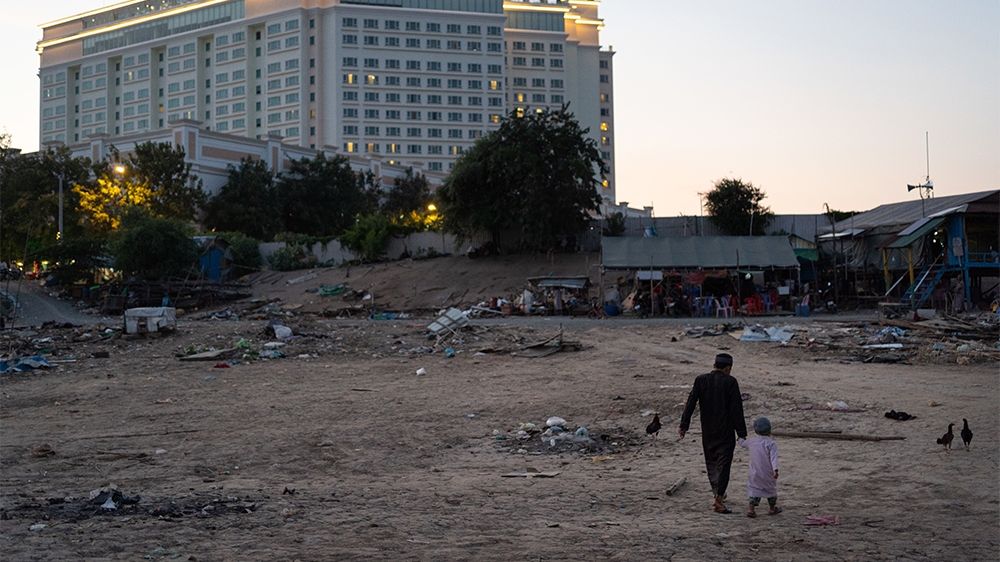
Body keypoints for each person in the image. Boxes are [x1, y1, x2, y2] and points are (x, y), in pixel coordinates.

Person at [678, 353, 748, 513]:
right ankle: (719, 498)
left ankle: (718, 492)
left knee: (711, 461)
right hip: (725, 429)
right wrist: (741, 432)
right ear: (728, 368)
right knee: (724, 463)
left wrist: (684, 425)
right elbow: (736, 409)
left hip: (707, 429)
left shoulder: (701, 380)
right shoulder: (731, 382)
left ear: (714, 364)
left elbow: (691, 402)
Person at [738, 417, 781, 518]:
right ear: (769, 430)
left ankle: (751, 509)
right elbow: (774, 458)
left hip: (754, 472)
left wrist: (739, 436)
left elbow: (742, 443)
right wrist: (775, 469)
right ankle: (771, 508)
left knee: (754, 489)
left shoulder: (752, 442)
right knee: (771, 489)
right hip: (768, 472)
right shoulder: (771, 443)